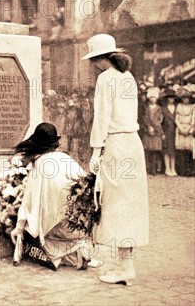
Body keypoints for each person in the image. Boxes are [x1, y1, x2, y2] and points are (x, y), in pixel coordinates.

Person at [81, 33, 148, 286]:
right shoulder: (127, 77)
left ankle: (125, 268)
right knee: (130, 205)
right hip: (133, 143)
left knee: (115, 205)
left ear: (99, 60)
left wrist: (96, 152)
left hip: (117, 146)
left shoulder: (105, 79)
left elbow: (102, 118)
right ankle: (126, 264)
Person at [10, 123, 103, 271]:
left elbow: (29, 203)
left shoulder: (39, 164)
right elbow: (84, 188)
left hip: (53, 230)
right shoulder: (67, 159)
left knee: (34, 226)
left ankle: (65, 257)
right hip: (75, 227)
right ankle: (78, 253)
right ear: (55, 142)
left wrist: (19, 228)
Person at [143, 88, 164, 175]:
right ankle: (148, 168)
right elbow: (145, 118)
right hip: (148, 130)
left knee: (155, 151)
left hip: (156, 130)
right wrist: (149, 127)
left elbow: (160, 119)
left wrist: (155, 127)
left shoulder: (159, 108)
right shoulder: (147, 108)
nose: (152, 99)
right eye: (151, 97)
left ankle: (154, 169)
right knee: (148, 151)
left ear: (157, 98)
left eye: (154, 98)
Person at [174, 86, 194, 176]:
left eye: (187, 98)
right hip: (181, 127)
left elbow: (193, 119)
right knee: (180, 151)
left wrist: (189, 129)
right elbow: (176, 119)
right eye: (184, 98)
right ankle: (181, 170)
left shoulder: (192, 107)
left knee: (188, 151)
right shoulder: (179, 106)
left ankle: (188, 170)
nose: (186, 100)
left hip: (189, 128)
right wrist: (181, 128)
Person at [161, 89, 178, 176]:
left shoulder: (177, 107)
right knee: (167, 149)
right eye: (169, 98)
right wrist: (162, 133)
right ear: (167, 99)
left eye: (172, 98)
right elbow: (161, 122)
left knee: (173, 150)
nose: (171, 99)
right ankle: (167, 168)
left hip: (175, 131)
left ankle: (173, 168)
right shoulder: (163, 109)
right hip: (167, 131)